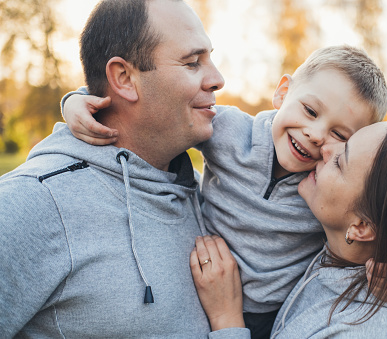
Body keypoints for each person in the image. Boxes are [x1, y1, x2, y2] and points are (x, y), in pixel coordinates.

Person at [62, 45, 387, 338]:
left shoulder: (330, 193)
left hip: (270, 317)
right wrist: (77, 100)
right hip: (194, 284)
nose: (316, 135)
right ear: (283, 92)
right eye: (310, 110)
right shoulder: (230, 132)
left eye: (340, 135)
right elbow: (158, 109)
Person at [0, 0, 250, 337]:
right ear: (124, 78)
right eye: (192, 63)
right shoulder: (32, 204)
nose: (218, 79)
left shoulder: (210, 195)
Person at [191, 120, 387, 338]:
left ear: (361, 227)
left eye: (341, 160)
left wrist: (226, 321)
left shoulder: (373, 332)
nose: (325, 147)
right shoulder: (370, 252)